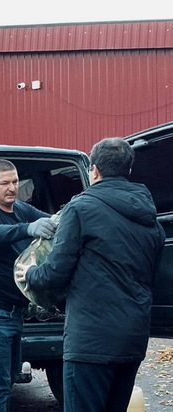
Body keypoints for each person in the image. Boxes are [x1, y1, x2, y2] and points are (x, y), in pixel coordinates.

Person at [15, 137, 165, 412]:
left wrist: (32, 274)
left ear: (93, 170)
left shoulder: (80, 208)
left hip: (90, 340)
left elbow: (56, 273)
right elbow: (151, 278)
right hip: (132, 338)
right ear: (128, 171)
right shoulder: (151, 220)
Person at [0, 159, 57, 412]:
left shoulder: (22, 209)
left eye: (15, 181)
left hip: (17, 311)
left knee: (9, 379)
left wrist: (66, 218)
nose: (12, 187)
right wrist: (28, 229)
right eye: (4, 183)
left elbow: (52, 221)